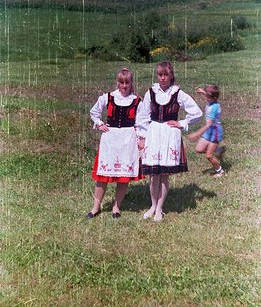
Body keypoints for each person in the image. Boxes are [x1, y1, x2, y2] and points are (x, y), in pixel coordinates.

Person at [137, 61, 202, 222]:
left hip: (169, 135)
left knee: (164, 174)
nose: (163, 78)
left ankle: (160, 208)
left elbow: (197, 113)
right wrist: (142, 137)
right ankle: (152, 205)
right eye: (160, 75)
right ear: (157, 75)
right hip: (154, 133)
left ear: (171, 75)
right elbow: (142, 116)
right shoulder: (151, 92)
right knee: (153, 174)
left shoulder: (178, 93)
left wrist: (182, 123)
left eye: (166, 74)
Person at [87, 67, 142, 219]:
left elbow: (141, 121)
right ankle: (95, 207)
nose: (124, 86)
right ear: (117, 82)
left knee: (123, 176)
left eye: (127, 83)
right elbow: (94, 112)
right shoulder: (108, 97)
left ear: (131, 83)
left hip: (127, 139)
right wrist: (99, 123)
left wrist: (140, 139)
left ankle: (116, 207)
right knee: (102, 176)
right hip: (110, 139)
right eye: (121, 82)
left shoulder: (137, 100)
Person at [188, 84, 225, 178]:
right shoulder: (212, 99)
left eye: (208, 97)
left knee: (209, 155)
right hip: (209, 130)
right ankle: (218, 150)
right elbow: (209, 94)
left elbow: (209, 124)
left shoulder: (215, 108)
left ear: (214, 98)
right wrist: (202, 91)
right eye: (206, 96)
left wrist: (197, 134)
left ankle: (220, 171)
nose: (206, 98)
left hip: (215, 132)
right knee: (199, 149)